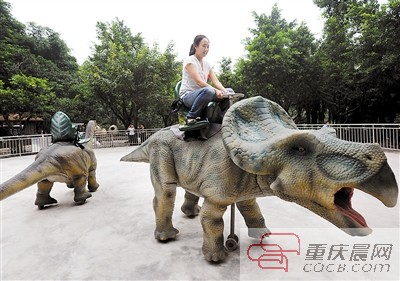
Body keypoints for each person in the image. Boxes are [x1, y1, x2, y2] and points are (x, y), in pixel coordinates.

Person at [179, 35, 230, 125]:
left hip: (204, 95)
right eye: (203, 46)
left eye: (208, 47)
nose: (206, 49)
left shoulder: (207, 64)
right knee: (209, 91)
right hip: (188, 96)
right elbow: (198, 81)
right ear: (195, 46)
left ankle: (221, 118)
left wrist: (226, 92)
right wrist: (216, 90)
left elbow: (216, 81)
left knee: (229, 91)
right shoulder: (190, 61)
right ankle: (191, 117)